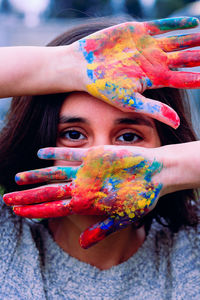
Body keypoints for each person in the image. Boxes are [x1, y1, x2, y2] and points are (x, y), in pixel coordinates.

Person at [0, 17, 200, 299]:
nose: (102, 163)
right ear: (37, 137)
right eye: (72, 134)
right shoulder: (8, 237)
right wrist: (62, 65)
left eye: (128, 137)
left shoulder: (192, 243)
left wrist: (167, 170)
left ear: (166, 143)